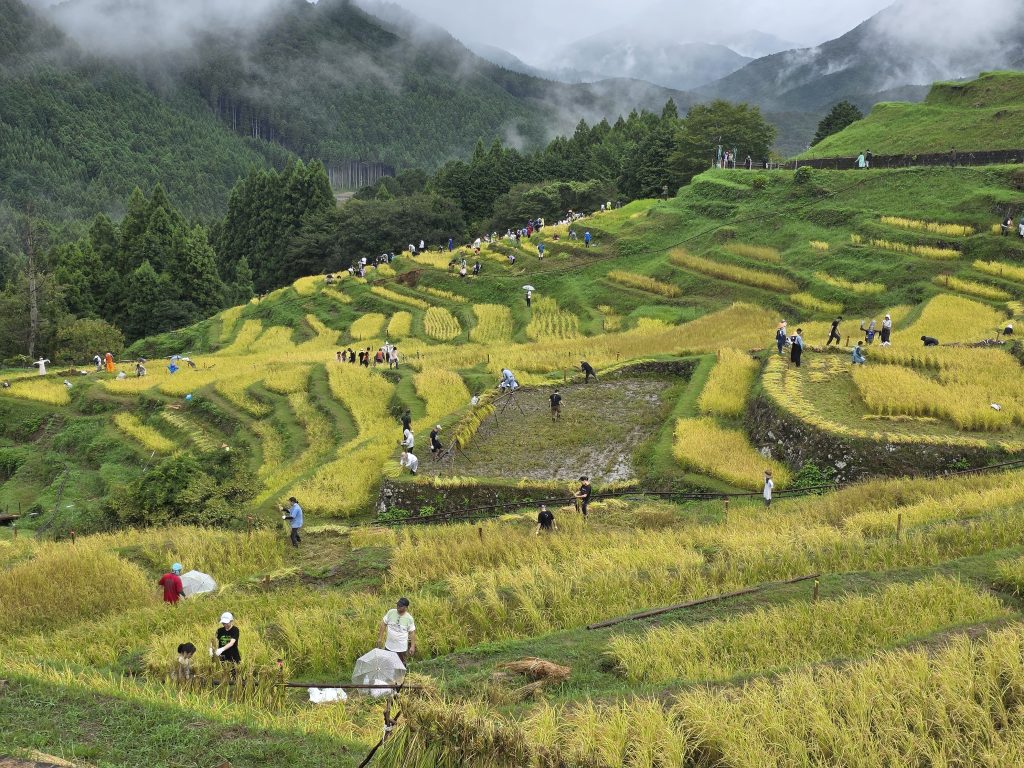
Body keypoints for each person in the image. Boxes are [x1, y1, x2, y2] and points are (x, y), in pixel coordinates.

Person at [378, 597, 417, 663]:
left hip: (401, 648)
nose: (398, 607)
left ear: (406, 607)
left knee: (400, 665)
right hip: (389, 646)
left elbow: (412, 633)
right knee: (387, 663)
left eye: (400, 606)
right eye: (398, 605)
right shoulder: (391, 612)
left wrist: (412, 646)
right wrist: (380, 638)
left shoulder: (409, 618)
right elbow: (383, 624)